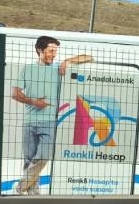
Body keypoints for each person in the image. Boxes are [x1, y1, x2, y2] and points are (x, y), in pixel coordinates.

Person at [12, 35, 93, 194]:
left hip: (49, 121)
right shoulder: (27, 69)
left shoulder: (58, 68)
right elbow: (15, 94)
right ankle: (33, 196)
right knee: (29, 160)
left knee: (43, 156)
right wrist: (35, 102)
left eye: (55, 51)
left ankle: (21, 187)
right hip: (29, 121)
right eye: (50, 51)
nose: (53, 54)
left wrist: (67, 61)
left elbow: (89, 57)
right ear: (39, 50)